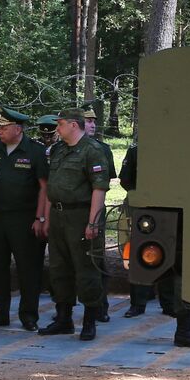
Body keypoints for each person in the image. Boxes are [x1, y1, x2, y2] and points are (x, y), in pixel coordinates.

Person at [118, 143, 190, 347]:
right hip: (179, 217)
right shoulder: (189, 150)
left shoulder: (144, 149)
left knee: (174, 267)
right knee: (184, 271)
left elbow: (127, 181)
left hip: (158, 217)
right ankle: (184, 329)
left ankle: (188, 325)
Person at [39, 109, 109, 342]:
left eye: (59, 125)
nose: (56, 129)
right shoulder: (58, 150)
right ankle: (63, 318)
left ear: (73, 125)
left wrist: (93, 222)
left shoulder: (93, 150)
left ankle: (89, 320)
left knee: (86, 268)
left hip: (81, 215)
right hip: (59, 215)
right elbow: (52, 187)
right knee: (59, 268)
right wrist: (48, 218)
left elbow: (99, 189)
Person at [0, 108, 49, 331]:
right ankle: (0, 313)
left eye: (4, 128)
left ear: (18, 129)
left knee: (28, 268)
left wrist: (40, 217)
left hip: (25, 218)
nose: (0, 131)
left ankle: (29, 315)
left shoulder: (35, 150)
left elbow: (45, 187)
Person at [81, 105, 115, 323]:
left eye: (94, 121)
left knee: (96, 259)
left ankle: (101, 306)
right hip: (69, 213)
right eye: (87, 121)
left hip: (93, 212)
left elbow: (105, 181)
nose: (92, 125)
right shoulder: (61, 148)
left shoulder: (103, 149)